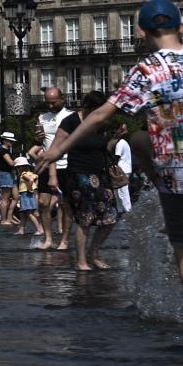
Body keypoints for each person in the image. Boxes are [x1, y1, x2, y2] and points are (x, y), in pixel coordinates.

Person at [35, 0, 183, 353]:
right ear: (182, 26)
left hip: (180, 165)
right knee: (140, 137)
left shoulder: (148, 68)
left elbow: (99, 117)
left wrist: (57, 150)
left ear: (142, 31)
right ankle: (177, 195)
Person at [61, 88, 120, 273]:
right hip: (79, 173)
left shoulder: (100, 123)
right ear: (87, 107)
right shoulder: (71, 121)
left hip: (100, 173)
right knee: (85, 219)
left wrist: (116, 138)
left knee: (110, 217)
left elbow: (105, 148)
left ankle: (93, 253)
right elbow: (58, 146)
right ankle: (81, 261)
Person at [31, 85, 71, 251]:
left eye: (54, 102)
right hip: (48, 164)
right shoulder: (42, 118)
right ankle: (48, 238)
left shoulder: (71, 116)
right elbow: (39, 142)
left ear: (63, 99)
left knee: (67, 204)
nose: (50, 106)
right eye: (48, 103)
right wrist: (37, 138)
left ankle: (64, 239)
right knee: (43, 202)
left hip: (68, 164)